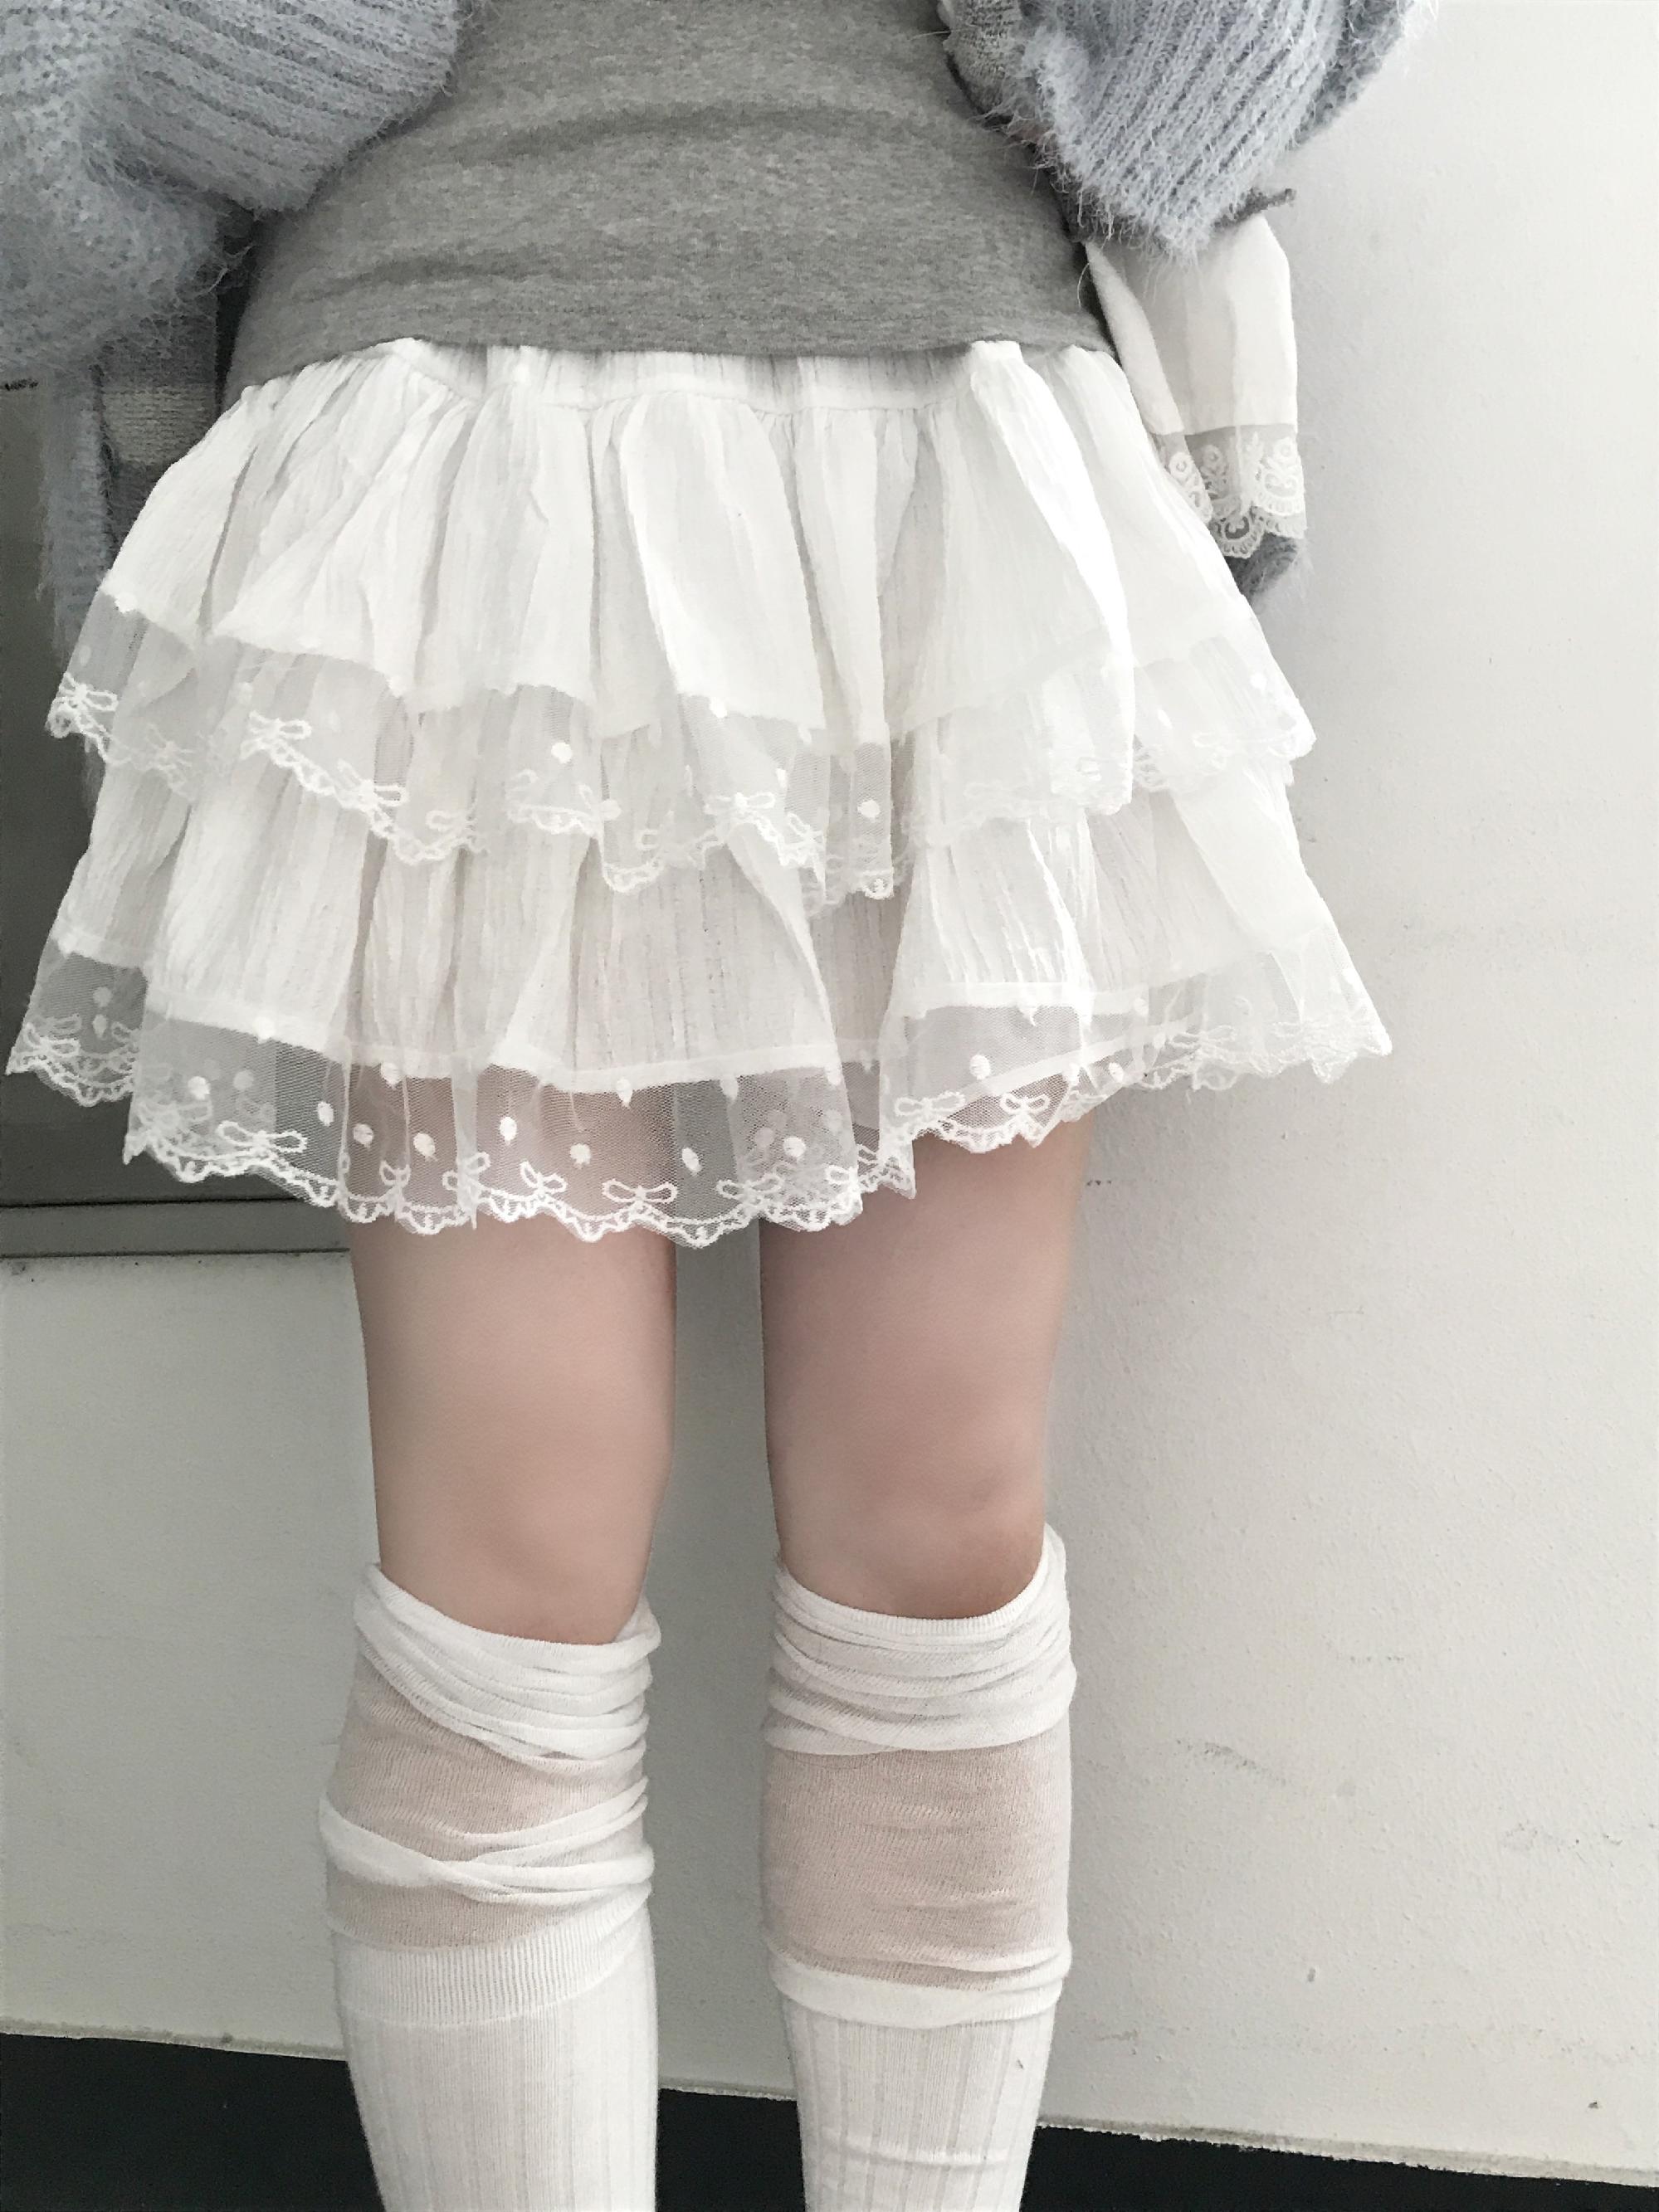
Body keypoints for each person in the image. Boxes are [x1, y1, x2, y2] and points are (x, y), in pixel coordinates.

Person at [3, 3, 1409, 2205]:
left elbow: (1232, 64)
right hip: (446, 477)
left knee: (936, 1527)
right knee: (505, 1571)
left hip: (951, 459)